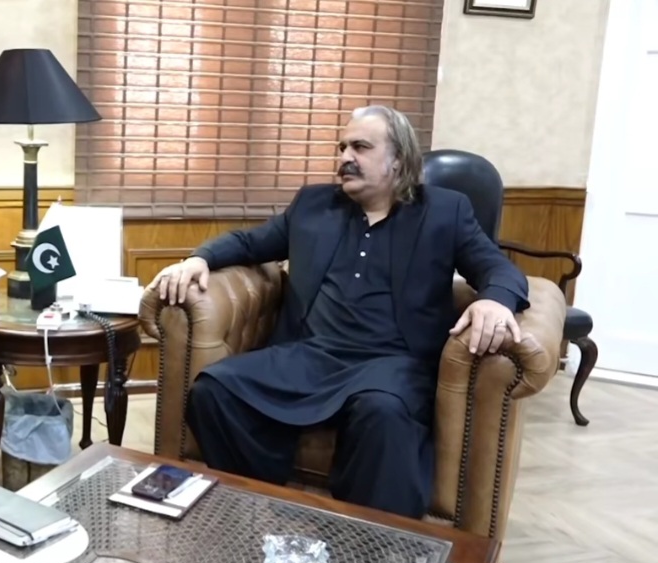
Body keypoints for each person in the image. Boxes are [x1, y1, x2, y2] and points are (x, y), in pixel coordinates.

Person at [147, 105, 529, 519]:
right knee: (214, 391)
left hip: (392, 362)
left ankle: (368, 534)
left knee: (383, 412)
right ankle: (267, 502)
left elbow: (498, 268)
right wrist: (198, 259)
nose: (345, 157)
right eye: (342, 147)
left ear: (398, 159)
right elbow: (250, 243)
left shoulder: (444, 211)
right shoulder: (313, 205)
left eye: (360, 147)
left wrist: (495, 300)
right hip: (311, 355)